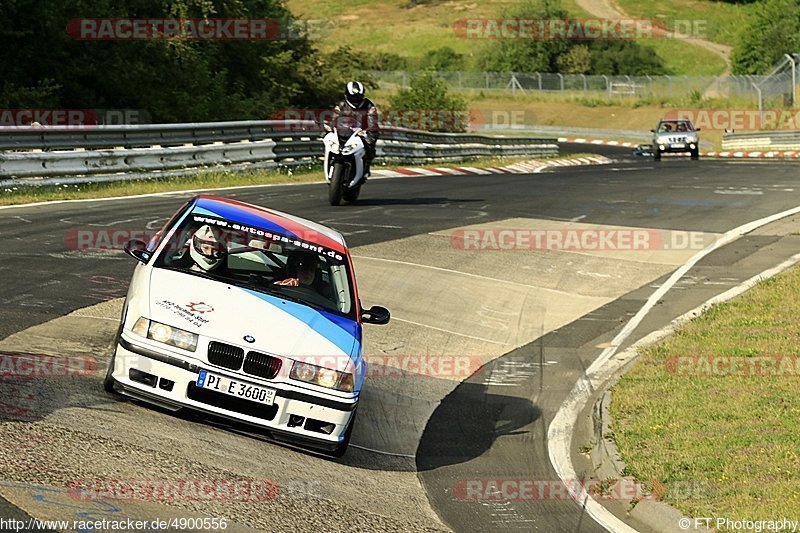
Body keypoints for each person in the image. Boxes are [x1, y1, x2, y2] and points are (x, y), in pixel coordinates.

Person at [331, 81, 380, 178]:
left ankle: (366, 167)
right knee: (329, 137)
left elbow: (372, 120)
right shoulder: (341, 105)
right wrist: (330, 127)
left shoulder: (369, 105)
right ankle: (331, 160)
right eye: (353, 97)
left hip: (362, 131)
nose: (355, 99)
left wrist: (369, 131)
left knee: (370, 143)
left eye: (358, 97)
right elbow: (334, 118)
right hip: (345, 130)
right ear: (347, 95)